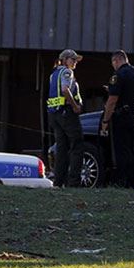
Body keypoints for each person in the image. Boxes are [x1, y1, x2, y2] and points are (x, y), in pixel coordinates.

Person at [101, 50, 134, 188]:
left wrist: (105, 121)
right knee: (131, 150)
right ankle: (132, 181)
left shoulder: (118, 75)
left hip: (122, 117)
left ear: (116, 60)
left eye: (113, 63)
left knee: (121, 151)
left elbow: (112, 101)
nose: (113, 66)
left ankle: (122, 182)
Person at [47, 49, 84, 187]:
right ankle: (74, 183)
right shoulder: (67, 72)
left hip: (54, 115)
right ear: (65, 59)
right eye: (73, 59)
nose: (75, 62)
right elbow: (65, 90)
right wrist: (75, 106)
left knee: (61, 149)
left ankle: (58, 182)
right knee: (77, 146)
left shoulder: (53, 74)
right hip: (67, 113)